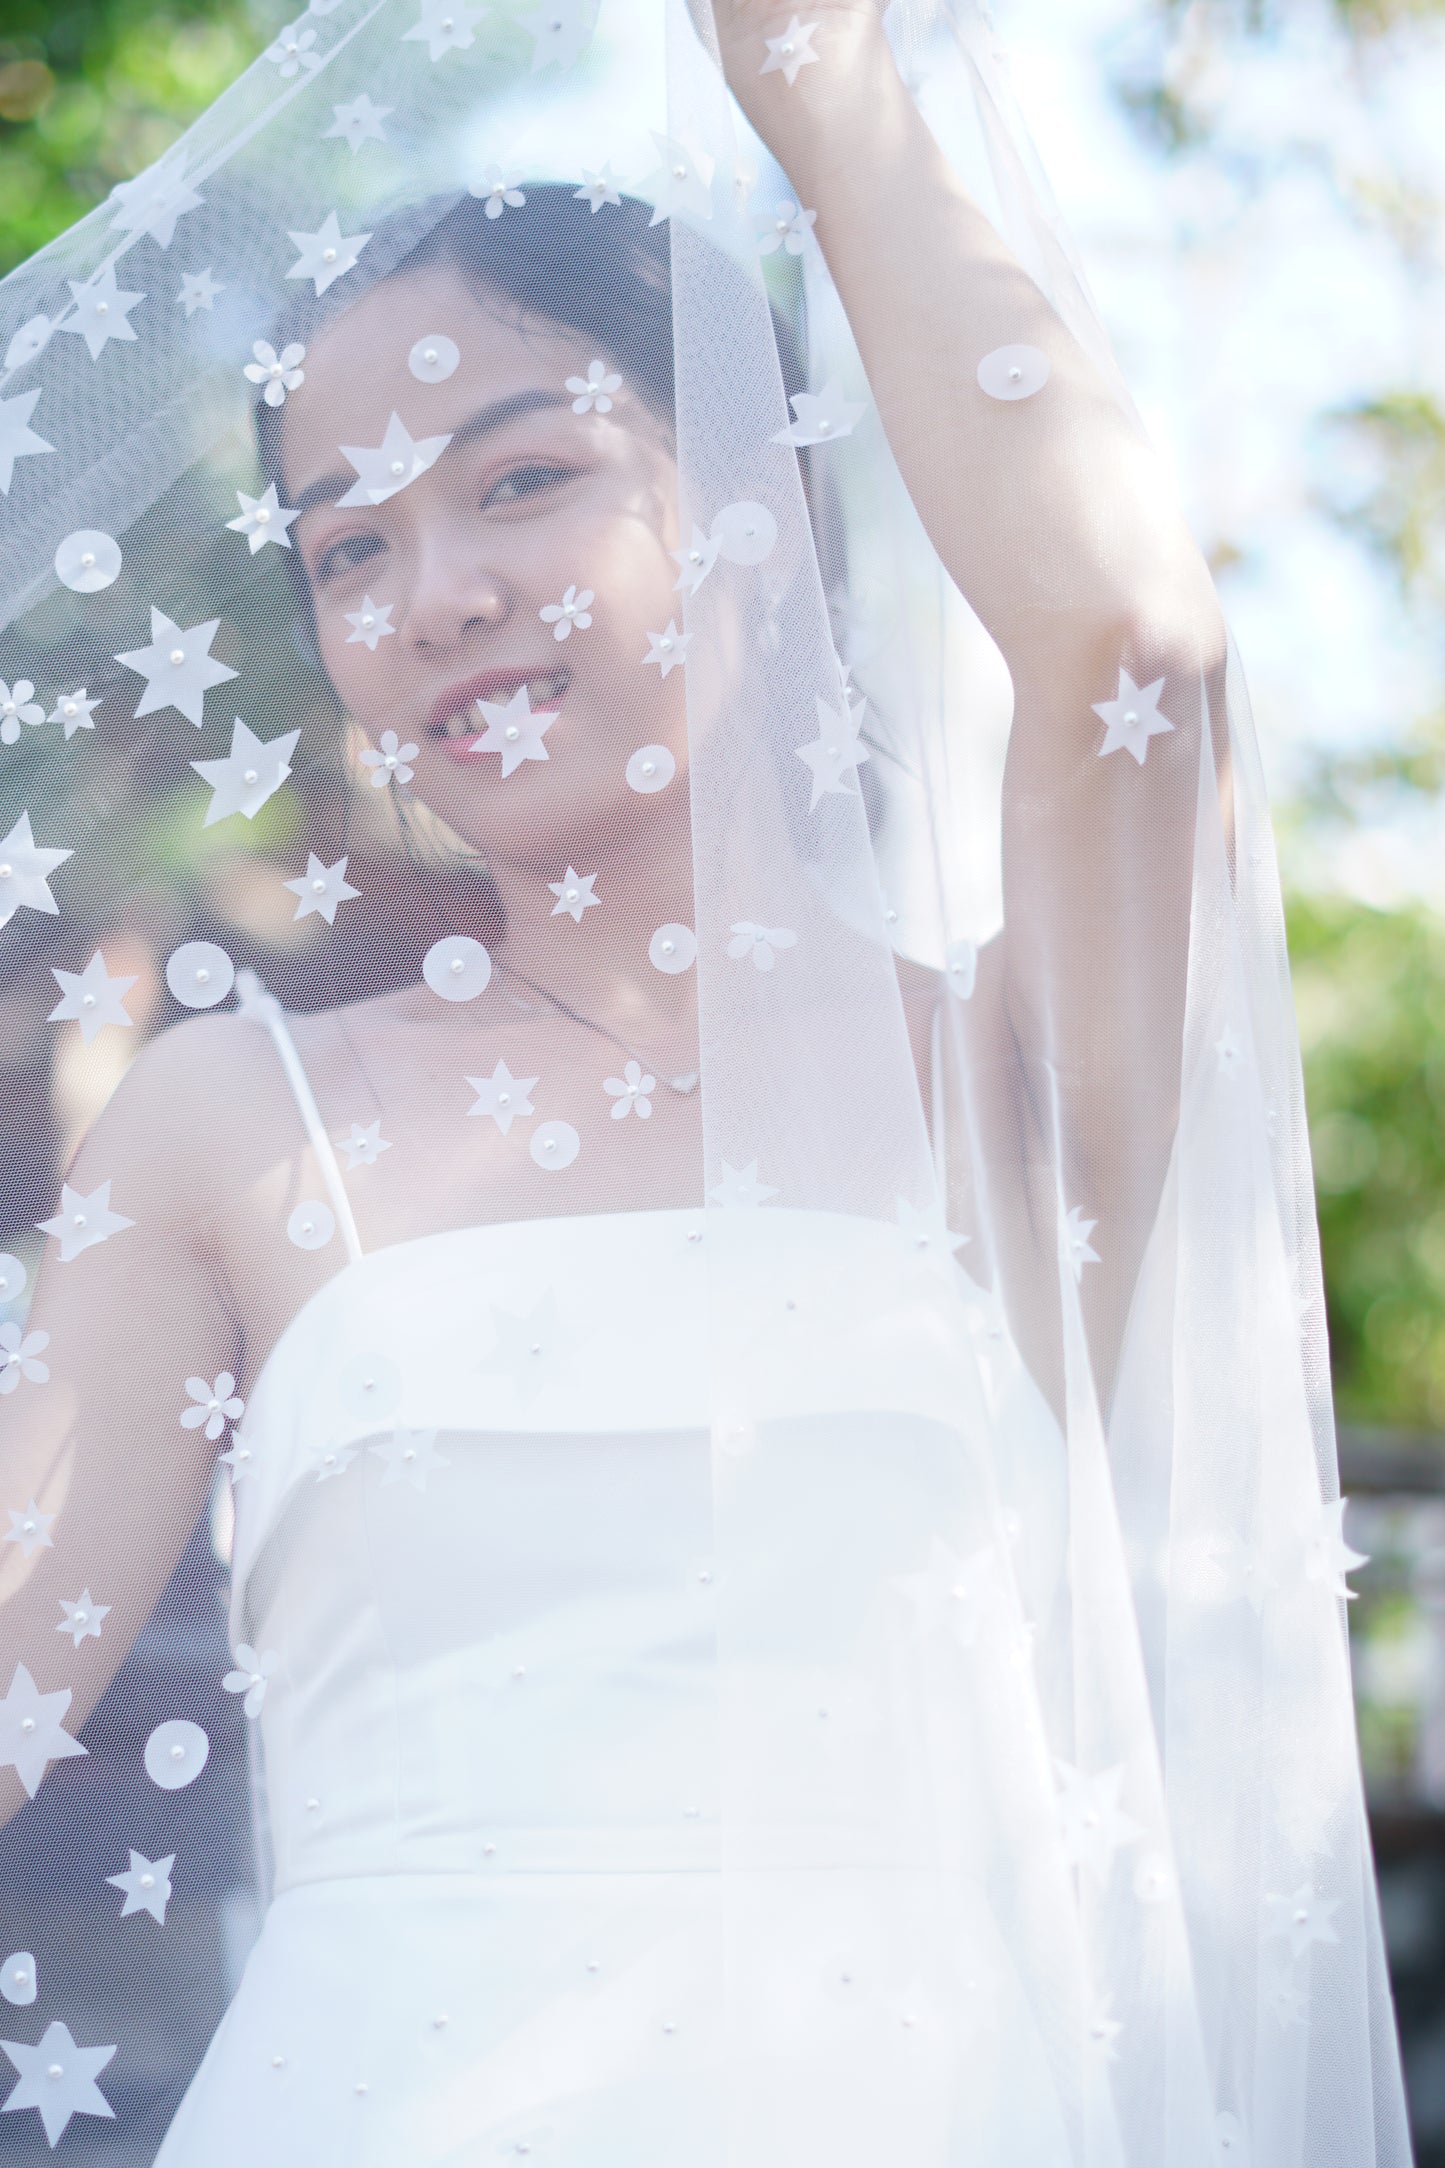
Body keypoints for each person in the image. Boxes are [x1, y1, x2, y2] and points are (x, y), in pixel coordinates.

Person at [0, 2, 1412, 2163]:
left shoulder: (1018, 1078)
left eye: (524, 480)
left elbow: (1136, 643)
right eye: (346, 546)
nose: (432, 595)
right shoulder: (228, 1122)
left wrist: (820, 86)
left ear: (754, 500)